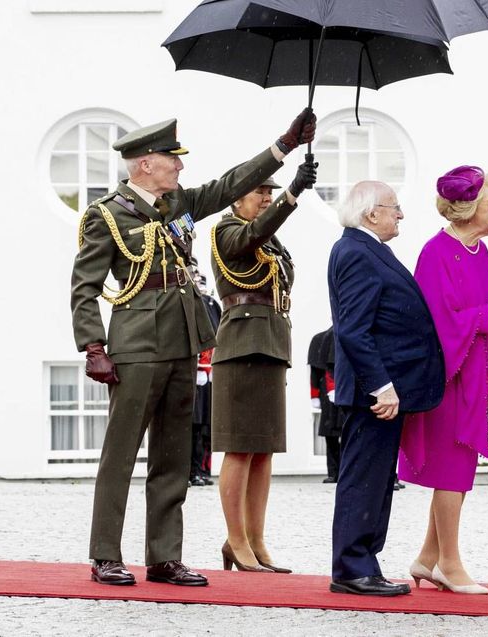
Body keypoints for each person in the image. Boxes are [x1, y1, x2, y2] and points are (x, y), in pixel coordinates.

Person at [70, 110, 316, 587]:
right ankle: (105, 555)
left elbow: (228, 186)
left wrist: (282, 145)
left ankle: (164, 556)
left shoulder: (176, 205)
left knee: (173, 453)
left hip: (183, 338)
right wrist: (92, 346)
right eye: (171, 160)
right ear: (145, 164)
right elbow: (84, 286)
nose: (179, 167)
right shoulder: (107, 214)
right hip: (136, 342)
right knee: (120, 453)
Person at [400, 166, 488, 595]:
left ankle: (428, 556)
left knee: (458, 468)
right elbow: (437, 323)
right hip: (446, 374)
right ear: (469, 208)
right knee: (451, 470)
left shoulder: (478, 251)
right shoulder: (437, 252)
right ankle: (450, 565)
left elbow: (486, 310)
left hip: (471, 372)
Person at [327, 181, 446, 597]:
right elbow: (354, 331)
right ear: (370, 213)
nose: (400, 215)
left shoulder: (366, 248)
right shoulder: (358, 252)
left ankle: (363, 563)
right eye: (394, 207)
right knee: (364, 479)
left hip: (380, 390)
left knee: (375, 481)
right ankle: (352, 567)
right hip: (373, 393)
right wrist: (382, 386)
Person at [210, 163, 317, 574]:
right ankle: (236, 540)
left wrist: (282, 203)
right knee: (239, 446)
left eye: (272, 194)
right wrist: (292, 194)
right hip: (240, 343)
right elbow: (251, 237)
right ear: (237, 197)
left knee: (264, 449)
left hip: (271, 341)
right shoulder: (227, 230)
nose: (267, 199)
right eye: (260, 193)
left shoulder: (270, 240)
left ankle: (255, 540)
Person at [190, 267, 221, 488]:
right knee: (190, 426)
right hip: (192, 372)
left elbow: (216, 335)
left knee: (204, 427)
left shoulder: (211, 305)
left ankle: (201, 469)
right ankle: (190, 471)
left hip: (208, 374)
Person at [309, 327, 343, 483]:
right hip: (327, 395)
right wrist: (314, 395)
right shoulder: (321, 339)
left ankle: (343, 471)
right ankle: (333, 472)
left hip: (345, 389)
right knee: (331, 434)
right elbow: (315, 373)